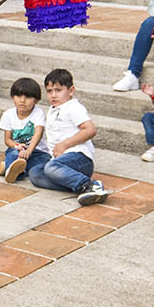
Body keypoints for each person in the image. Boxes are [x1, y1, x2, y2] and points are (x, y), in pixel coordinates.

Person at [27, 69, 109, 205]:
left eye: (58, 90)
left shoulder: (73, 107)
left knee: (50, 168)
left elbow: (90, 130)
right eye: (49, 91)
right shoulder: (53, 110)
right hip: (61, 163)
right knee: (35, 174)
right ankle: (79, 187)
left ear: (71, 91)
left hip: (79, 158)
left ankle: (90, 185)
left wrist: (65, 144)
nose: (53, 95)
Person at [0, 76, 46, 183]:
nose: (22, 100)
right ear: (12, 97)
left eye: (28, 97)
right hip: (17, 150)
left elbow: (38, 133)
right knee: (13, 154)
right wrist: (17, 146)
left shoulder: (38, 113)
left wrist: (29, 151)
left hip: (37, 151)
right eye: (18, 96)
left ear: (36, 100)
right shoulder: (8, 114)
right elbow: (7, 140)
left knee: (44, 162)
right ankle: (15, 169)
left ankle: (8, 167)